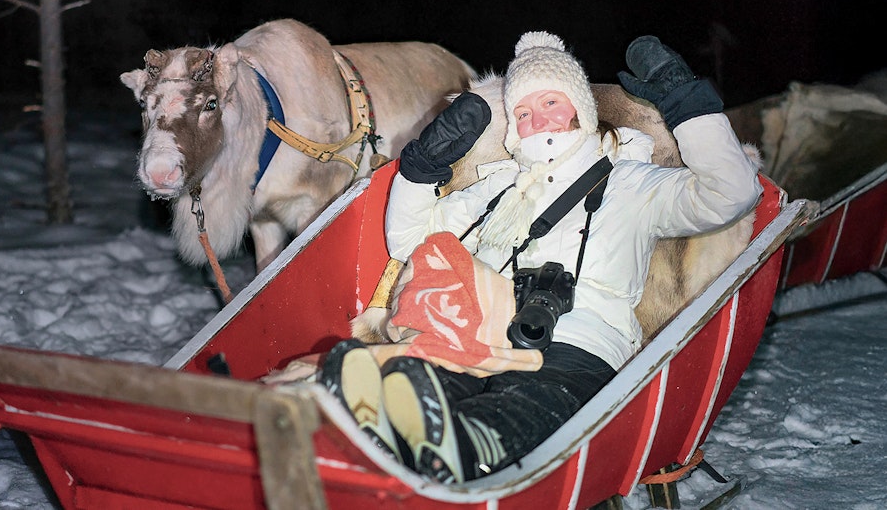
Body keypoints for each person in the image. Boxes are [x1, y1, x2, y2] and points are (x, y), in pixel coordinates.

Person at [318, 31, 763, 483]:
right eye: (524, 111)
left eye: (551, 102)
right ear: (513, 126)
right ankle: (381, 426)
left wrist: (691, 110)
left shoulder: (632, 183)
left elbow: (731, 192)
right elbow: (411, 242)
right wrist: (420, 169)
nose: (538, 119)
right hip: (483, 335)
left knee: (534, 397)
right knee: (431, 377)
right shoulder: (497, 188)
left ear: (579, 109)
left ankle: (466, 444)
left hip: (581, 341)